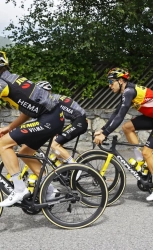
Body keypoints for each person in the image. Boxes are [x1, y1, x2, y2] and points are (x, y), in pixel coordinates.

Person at [93, 67, 153, 201]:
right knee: (127, 127)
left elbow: (120, 116)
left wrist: (105, 134)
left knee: (147, 152)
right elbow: (116, 112)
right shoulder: (126, 91)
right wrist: (103, 129)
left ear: (120, 81)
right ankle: (140, 162)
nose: (109, 85)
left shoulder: (129, 91)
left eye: (111, 82)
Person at [0, 51, 64, 206]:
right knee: (25, 153)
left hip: (48, 119)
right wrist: (9, 127)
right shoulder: (12, 79)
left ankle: (19, 188)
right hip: (53, 117)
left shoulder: (2, 83)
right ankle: (50, 191)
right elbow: (27, 113)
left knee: (3, 144)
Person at [36, 81, 88, 164]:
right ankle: (64, 170)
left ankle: (75, 168)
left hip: (79, 121)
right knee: (55, 142)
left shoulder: (51, 101)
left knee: (54, 145)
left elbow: (44, 119)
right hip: (79, 120)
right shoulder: (53, 98)